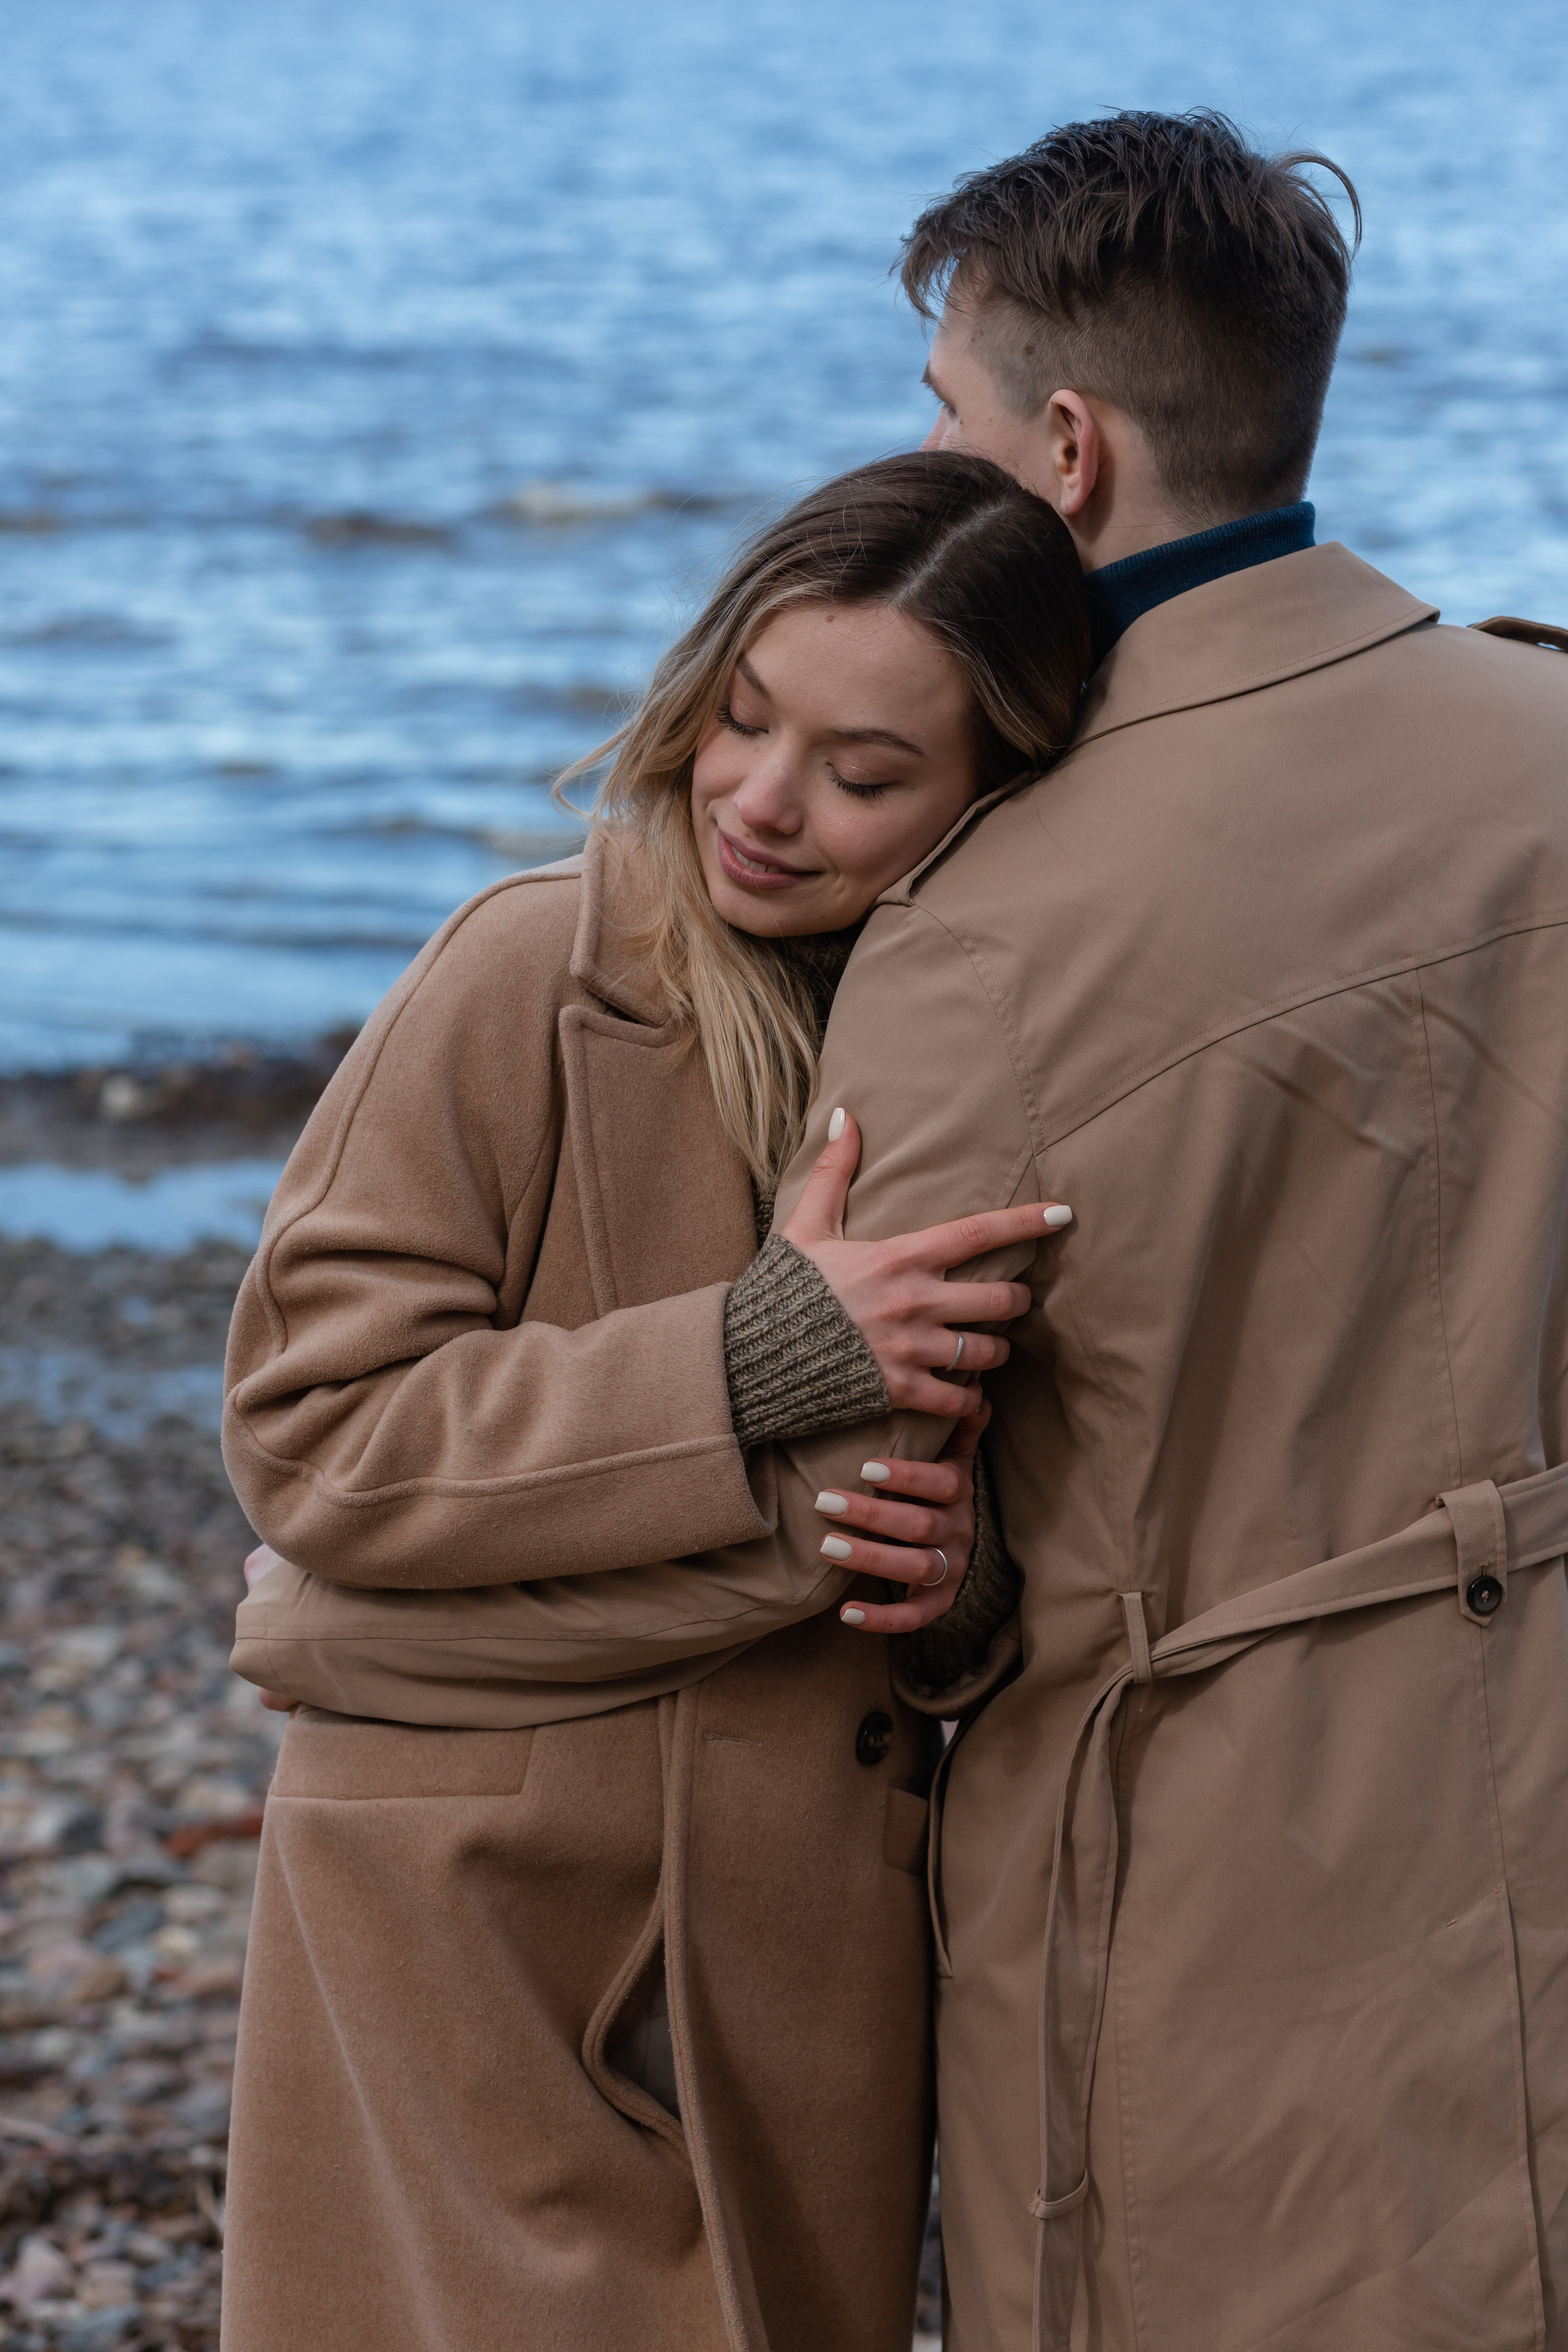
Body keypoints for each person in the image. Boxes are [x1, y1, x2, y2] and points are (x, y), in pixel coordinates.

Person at [744, 111, 1568, 2349]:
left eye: (946, 410)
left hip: (1217, 1895)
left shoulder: (981, 932)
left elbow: (886, 1514)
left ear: (1068, 453)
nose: (926, 452)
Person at [217, 450, 1090, 2352]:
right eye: (744, 718)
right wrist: (753, 1353)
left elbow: (1004, 1552)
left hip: (803, 1943)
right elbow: (312, 1430)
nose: (762, 802)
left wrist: (951, 1589)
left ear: (991, 795)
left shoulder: (990, 1055)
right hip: (479, 1908)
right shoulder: (527, 966)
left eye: (864, 774)